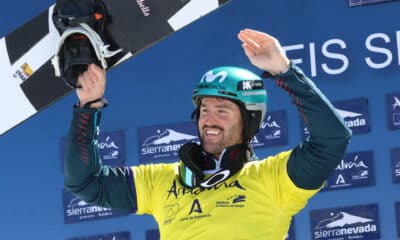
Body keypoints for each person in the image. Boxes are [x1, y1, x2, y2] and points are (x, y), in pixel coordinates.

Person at [64, 29, 352, 239]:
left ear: (249, 120)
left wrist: (284, 71)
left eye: (223, 109)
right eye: (204, 109)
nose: (209, 119)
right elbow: (85, 182)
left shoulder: (274, 180)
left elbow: (332, 139)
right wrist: (88, 106)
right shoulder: (163, 180)